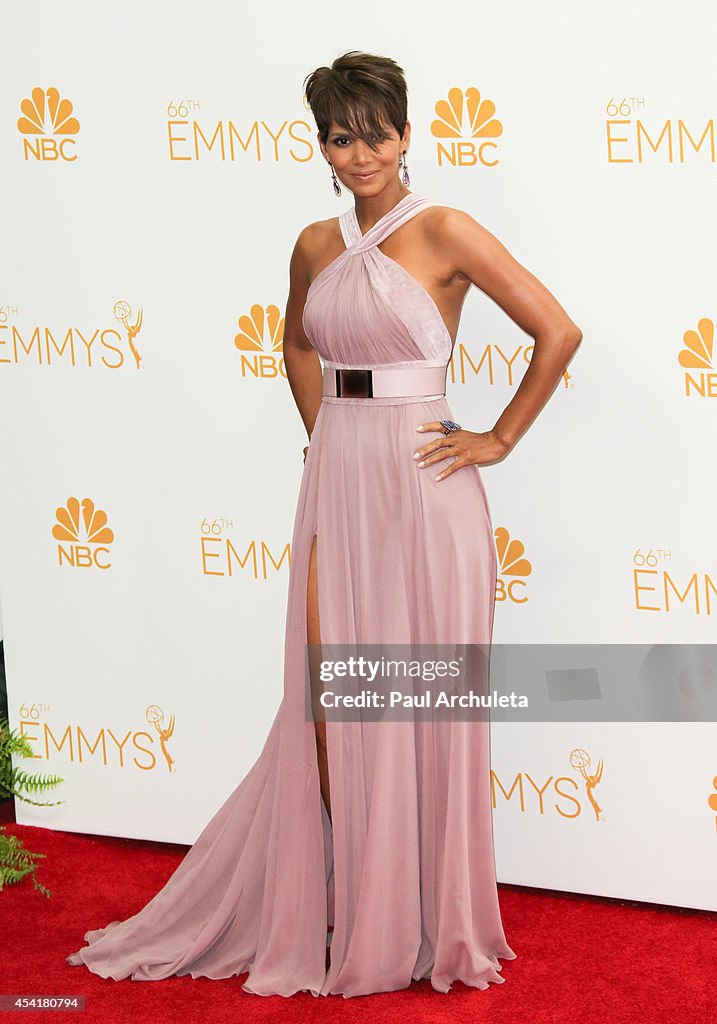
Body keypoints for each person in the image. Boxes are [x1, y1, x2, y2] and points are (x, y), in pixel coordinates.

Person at [66, 50, 582, 998]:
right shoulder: (314, 243)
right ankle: (355, 893)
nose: (359, 155)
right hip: (335, 483)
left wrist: (498, 438)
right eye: (339, 138)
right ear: (322, 145)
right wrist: (324, 437)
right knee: (327, 704)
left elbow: (557, 331)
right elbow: (297, 343)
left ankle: (417, 917)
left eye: (374, 134)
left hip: (427, 490)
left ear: (405, 133)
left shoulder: (447, 230)